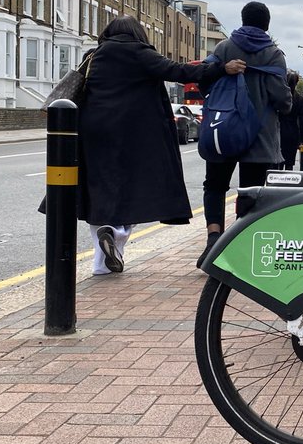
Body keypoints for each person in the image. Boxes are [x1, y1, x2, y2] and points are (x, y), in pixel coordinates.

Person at [77, 15, 242, 275]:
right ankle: (116, 234)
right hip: (132, 134)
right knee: (130, 189)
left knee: (99, 189)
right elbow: (180, 72)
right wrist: (222, 68)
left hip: (93, 132)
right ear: (137, 33)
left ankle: (103, 263)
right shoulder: (140, 53)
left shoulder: (93, 56)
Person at [199, 1, 290, 266]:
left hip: (223, 129)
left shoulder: (223, 48)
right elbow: (280, 97)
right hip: (259, 136)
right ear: (267, 24)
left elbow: (205, 78)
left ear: (242, 20)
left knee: (214, 186)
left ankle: (213, 237)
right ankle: (239, 243)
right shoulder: (273, 54)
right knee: (251, 191)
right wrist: (287, 103)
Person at [278, 70, 303, 170]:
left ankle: (275, 183)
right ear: (297, 82)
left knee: (278, 162)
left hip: (278, 131)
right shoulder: (299, 99)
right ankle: (288, 183)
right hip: (293, 133)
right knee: (289, 162)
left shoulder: (280, 97)